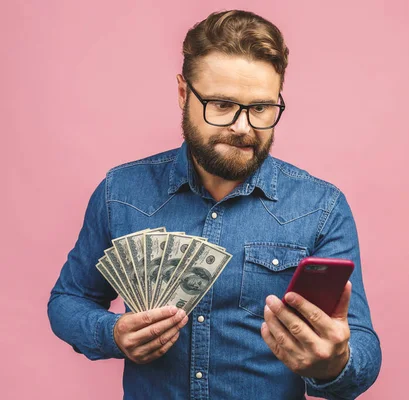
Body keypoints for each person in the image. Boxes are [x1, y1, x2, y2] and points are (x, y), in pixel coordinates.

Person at [48, 9, 381, 399]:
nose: (242, 127)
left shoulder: (322, 207)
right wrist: (111, 334)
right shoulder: (119, 191)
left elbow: (363, 347)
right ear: (183, 94)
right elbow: (69, 300)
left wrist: (335, 363)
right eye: (222, 104)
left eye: (260, 108)